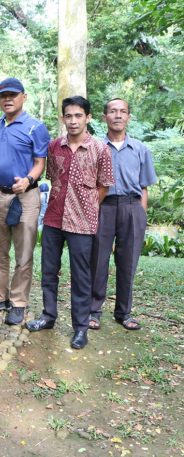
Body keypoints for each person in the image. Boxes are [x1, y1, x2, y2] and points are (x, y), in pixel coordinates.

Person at [26, 96, 114, 350]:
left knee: (81, 276)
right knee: (49, 271)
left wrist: (85, 206)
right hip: (53, 217)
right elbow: (53, 177)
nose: (73, 121)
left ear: (88, 117)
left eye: (78, 116)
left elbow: (104, 186)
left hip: (82, 222)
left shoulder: (100, 149)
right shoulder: (55, 146)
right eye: (68, 116)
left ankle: (80, 328)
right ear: (63, 118)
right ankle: (48, 316)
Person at [0, 78, 50, 326]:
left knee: (23, 253)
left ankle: (18, 302)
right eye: (3, 95)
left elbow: (40, 164)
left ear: (23, 97)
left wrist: (27, 180)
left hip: (25, 196)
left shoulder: (35, 127)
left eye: (13, 95)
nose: (8, 99)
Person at [90, 98, 157, 331]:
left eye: (123, 111)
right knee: (98, 260)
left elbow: (145, 186)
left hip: (132, 207)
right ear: (104, 116)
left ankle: (123, 312)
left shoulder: (140, 149)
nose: (118, 115)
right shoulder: (96, 147)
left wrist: (141, 215)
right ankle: (94, 311)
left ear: (129, 117)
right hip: (103, 207)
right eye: (112, 111)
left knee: (128, 262)